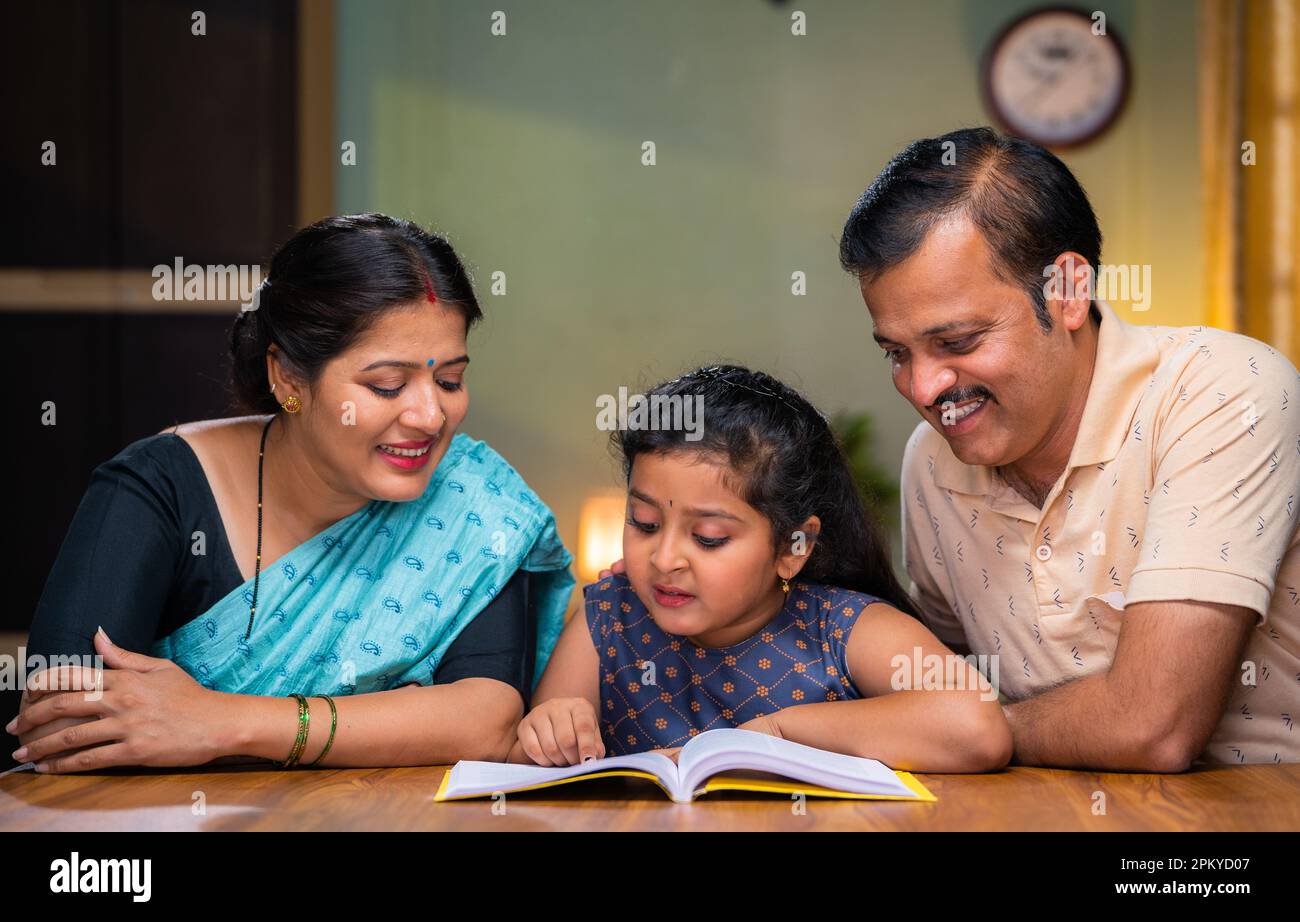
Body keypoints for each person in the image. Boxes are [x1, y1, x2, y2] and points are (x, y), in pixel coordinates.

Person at [10, 213, 575, 772]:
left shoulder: (477, 509)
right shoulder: (163, 489)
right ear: (286, 377)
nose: (431, 415)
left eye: (450, 380)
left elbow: (485, 718)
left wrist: (224, 720)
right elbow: (62, 722)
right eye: (387, 385)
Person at [840, 127, 1300, 769]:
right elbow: (942, 689)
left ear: (1067, 292)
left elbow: (1154, 727)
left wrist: (973, 734)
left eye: (959, 341)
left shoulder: (1222, 390)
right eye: (897, 353)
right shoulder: (932, 460)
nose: (922, 388)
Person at [509, 365, 1011, 773]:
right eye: (644, 524)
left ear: (794, 545)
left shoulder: (841, 629)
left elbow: (977, 727)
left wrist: (774, 735)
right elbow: (518, 767)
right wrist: (551, 729)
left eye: (709, 538)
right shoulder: (610, 619)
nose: (664, 560)